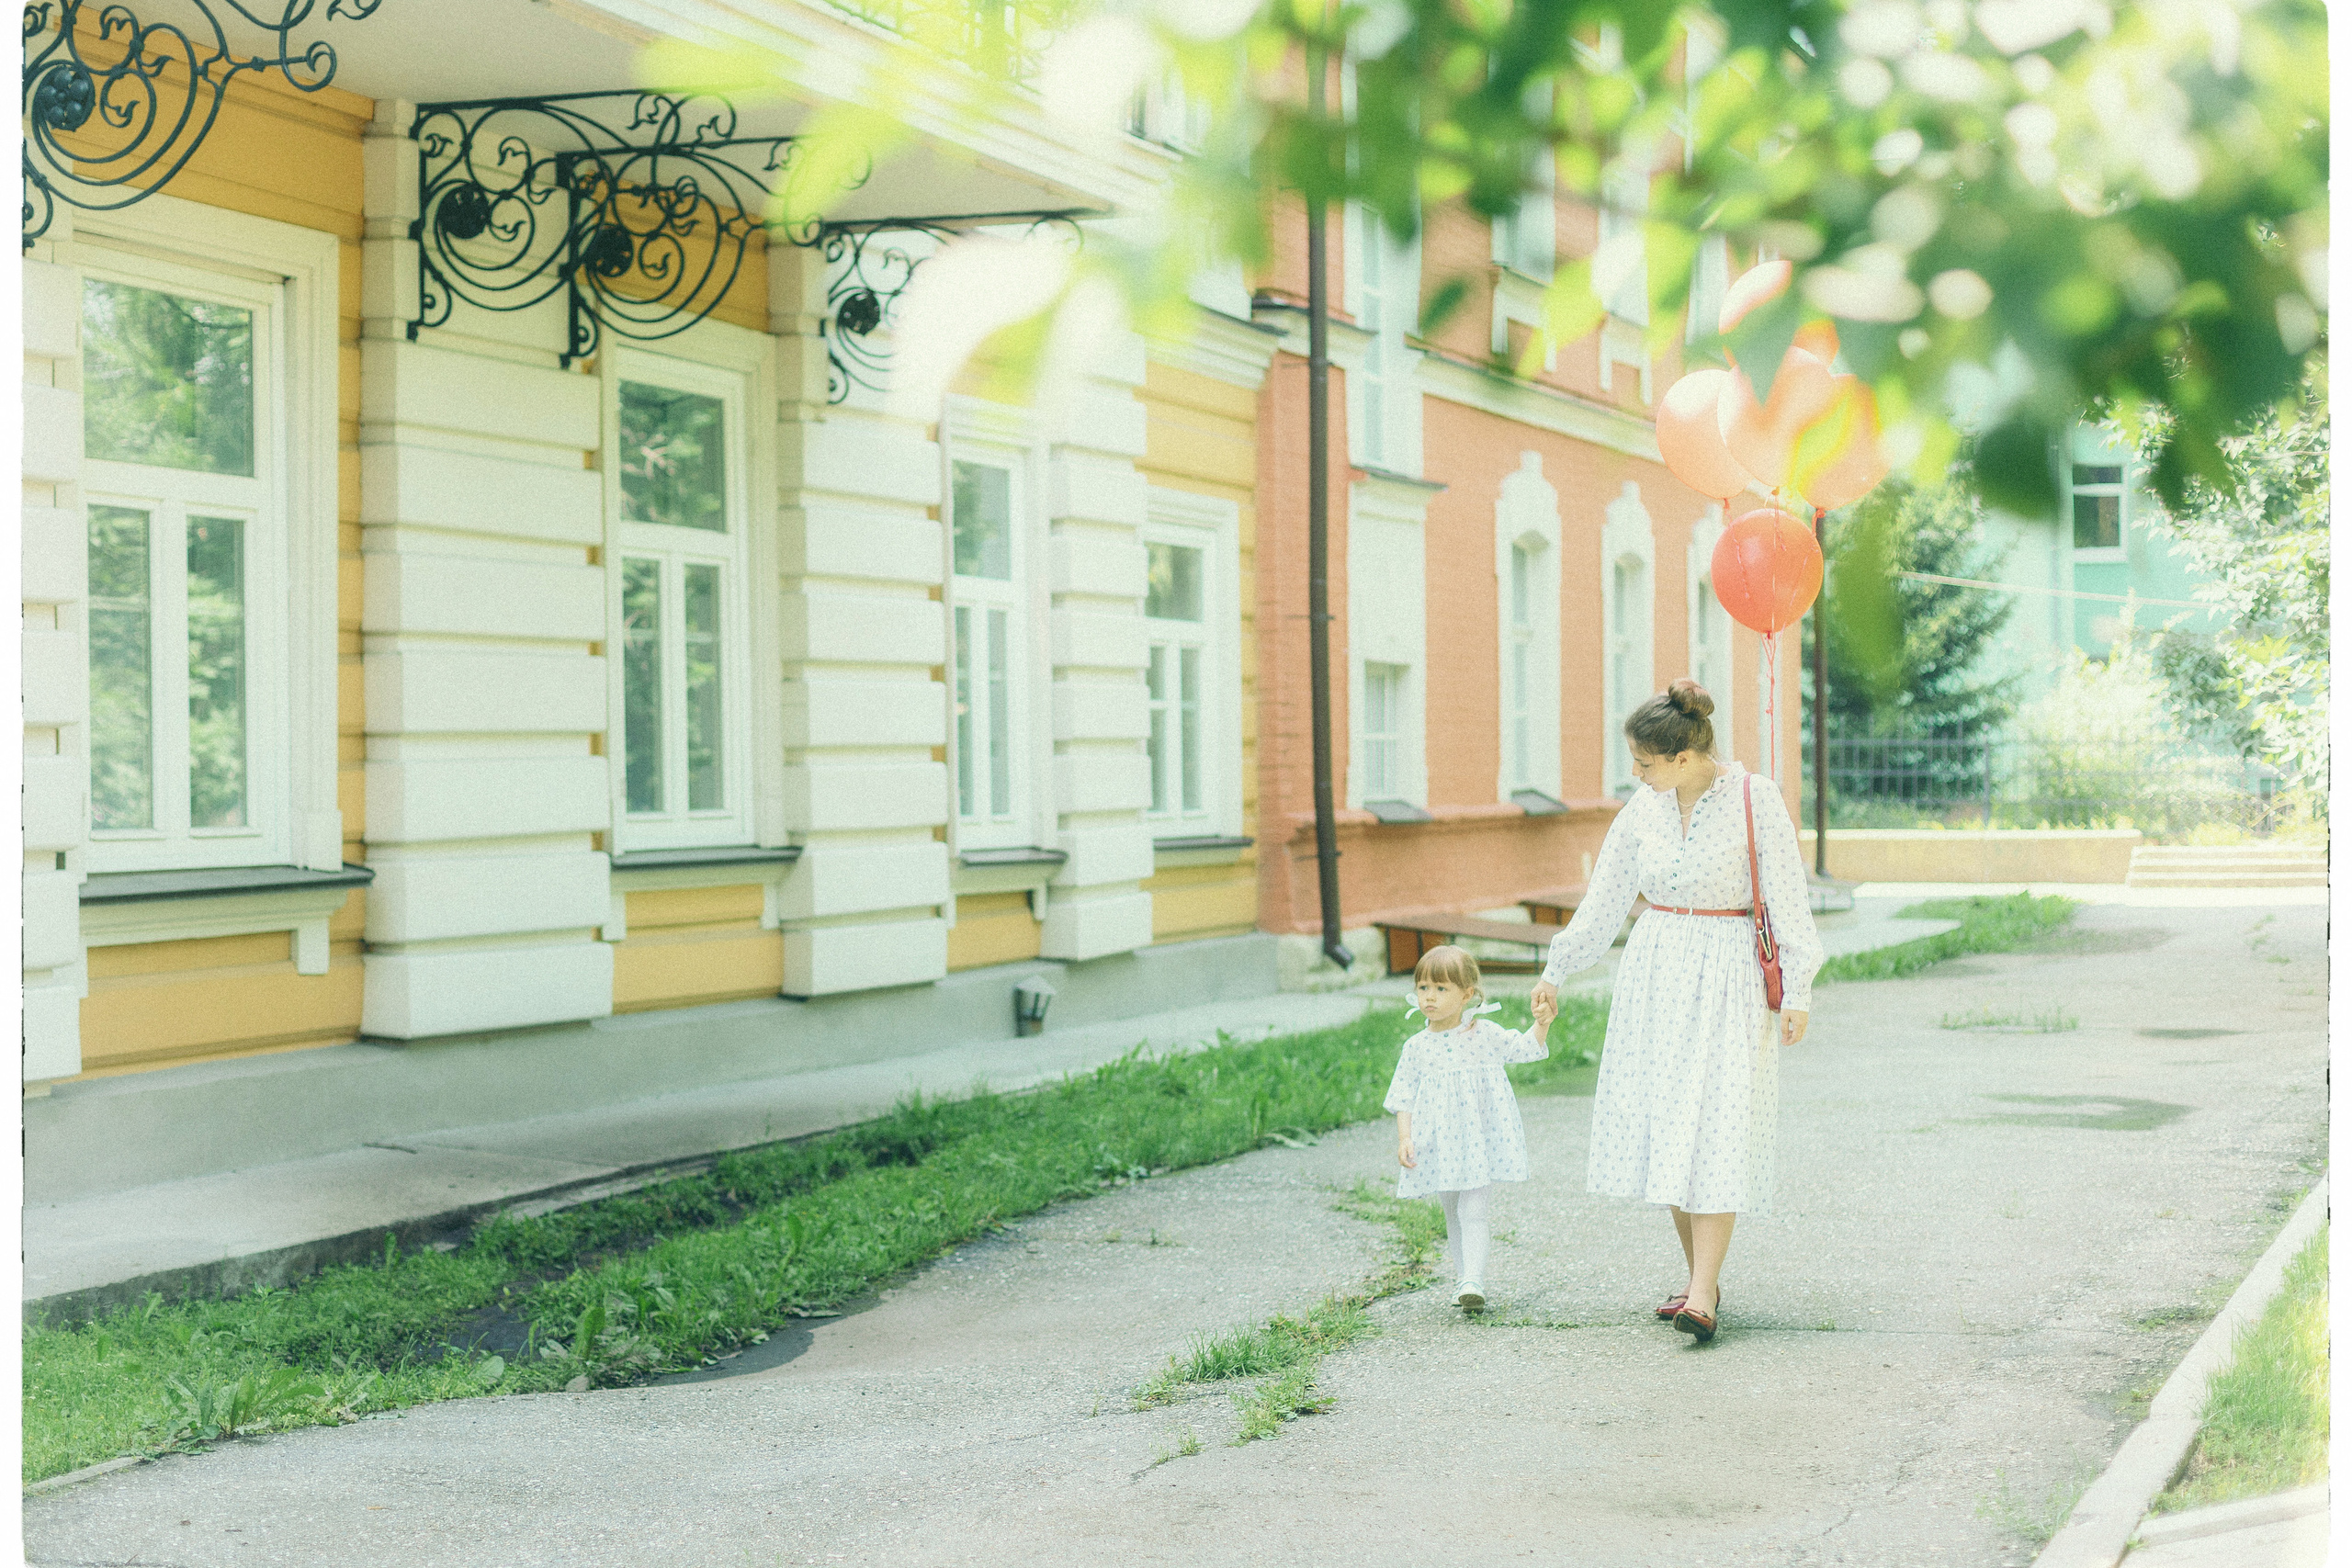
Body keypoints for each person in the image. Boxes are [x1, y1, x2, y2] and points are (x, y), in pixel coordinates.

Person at [1527, 679, 1823, 1343]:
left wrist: (1798, 990)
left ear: (1685, 757)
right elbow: (1605, 899)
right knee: (1670, 1127)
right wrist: (1556, 970)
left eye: (1645, 762)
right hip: (1656, 973)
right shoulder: (1643, 809)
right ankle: (1700, 1284)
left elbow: (1787, 897)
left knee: (1716, 1124)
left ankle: (1703, 1293)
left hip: (1728, 976)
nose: (1636, 774)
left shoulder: (1755, 799)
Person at [1385, 945, 1554, 1313]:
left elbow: (1525, 1048)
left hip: (1478, 1141)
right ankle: (1464, 1281)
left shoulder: (1485, 1034)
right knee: (1452, 1212)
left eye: (1441, 989)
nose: (1429, 997)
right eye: (1423, 988)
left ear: (1467, 994)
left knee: (1473, 1209)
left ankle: (1474, 1279)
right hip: (1439, 1143)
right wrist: (1405, 1138)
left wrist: (1542, 1023)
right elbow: (1403, 1096)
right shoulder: (1416, 1047)